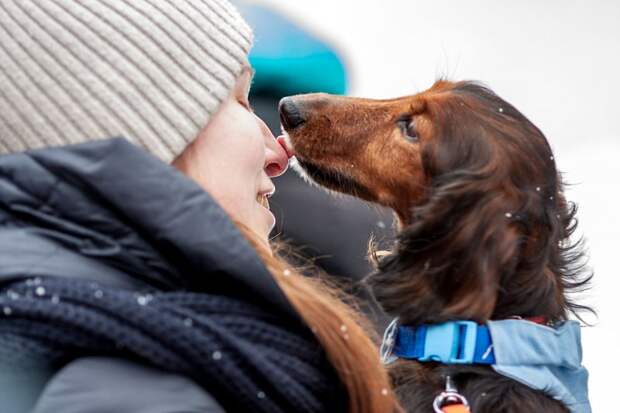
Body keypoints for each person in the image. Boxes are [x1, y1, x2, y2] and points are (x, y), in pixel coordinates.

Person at [0, 1, 398, 412]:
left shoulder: (153, 355)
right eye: (241, 101)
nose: (279, 151)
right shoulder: (142, 390)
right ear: (152, 130)